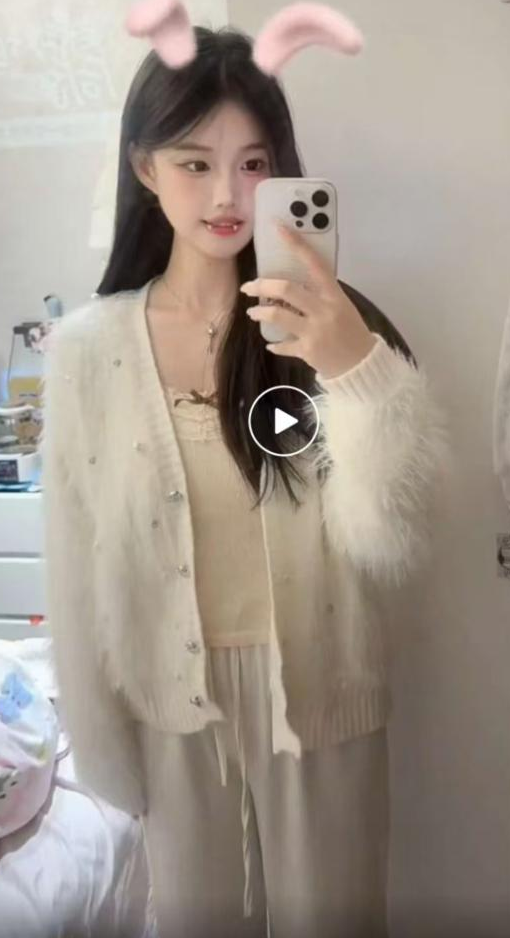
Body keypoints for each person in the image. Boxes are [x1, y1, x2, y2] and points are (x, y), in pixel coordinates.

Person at [41, 25, 452, 938]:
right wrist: (101, 733)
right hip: (173, 703)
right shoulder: (91, 352)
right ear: (144, 168)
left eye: (253, 164)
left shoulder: (328, 328)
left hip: (321, 692)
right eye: (195, 163)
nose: (227, 195)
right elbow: (76, 562)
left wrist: (356, 369)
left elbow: (393, 536)